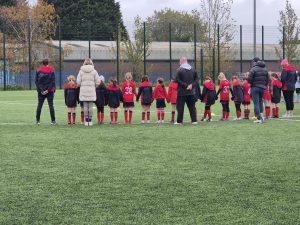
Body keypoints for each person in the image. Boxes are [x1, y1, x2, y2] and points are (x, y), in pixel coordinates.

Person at [76, 58, 101, 126]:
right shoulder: (94, 71)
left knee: (85, 106)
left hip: (83, 90)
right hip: (91, 90)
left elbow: (78, 82)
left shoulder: (81, 71)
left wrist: (81, 85)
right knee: (90, 106)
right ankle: (90, 120)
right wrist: (94, 86)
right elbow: (98, 81)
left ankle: (86, 120)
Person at [175, 57, 199, 124]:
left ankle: (179, 121)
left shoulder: (179, 70)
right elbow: (197, 80)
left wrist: (186, 86)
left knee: (180, 107)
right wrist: (191, 85)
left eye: (179, 61)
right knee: (192, 107)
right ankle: (194, 121)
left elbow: (177, 80)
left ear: (181, 61)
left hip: (181, 92)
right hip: (191, 92)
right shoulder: (193, 69)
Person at [247, 57, 269, 124]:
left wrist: (253, 83)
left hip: (255, 87)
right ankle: (261, 116)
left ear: (254, 62)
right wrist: (263, 85)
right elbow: (267, 80)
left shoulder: (253, 69)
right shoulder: (265, 69)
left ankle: (259, 118)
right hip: (262, 88)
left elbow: (249, 79)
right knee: (260, 101)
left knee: (256, 103)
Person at [35, 59, 56, 125]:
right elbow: (53, 81)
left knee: (39, 106)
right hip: (50, 91)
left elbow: (36, 82)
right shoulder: (51, 70)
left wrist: (41, 90)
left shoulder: (38, 70)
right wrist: (48, 90)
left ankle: (38, 121)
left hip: (41, 91)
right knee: (51, 105)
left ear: (42, 63)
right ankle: (53, 121)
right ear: (48, 63)